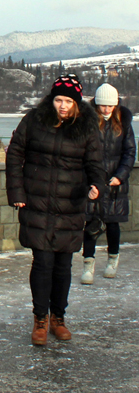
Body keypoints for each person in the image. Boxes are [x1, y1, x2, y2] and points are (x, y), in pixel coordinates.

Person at [6, 74, 105, 346]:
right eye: (58, 100)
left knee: (62, 266)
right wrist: (16, 192)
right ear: (51, 99)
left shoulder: (87, 127)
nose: (62, 106)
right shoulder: (34, 120)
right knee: (43, 262)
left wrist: (97, 185)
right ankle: (40, 317)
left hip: (70, 206)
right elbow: (15, 154)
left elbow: (95, 164)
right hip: (37, 203)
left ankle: (58, 317)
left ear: (77, 103)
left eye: (68, 101)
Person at [81, 83, 135, 284]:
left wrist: (120, 175)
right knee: (90, 223)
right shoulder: (88, 122)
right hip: (93, 182)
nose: (106, 110)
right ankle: (88, 264)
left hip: (115, 185)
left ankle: (112, 261)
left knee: (112, 224)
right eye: (102, 105)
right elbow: (82, 152)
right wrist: (90, 179)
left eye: (110, 106)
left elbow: (129, 152)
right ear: (96, 104)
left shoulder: (123, 122)